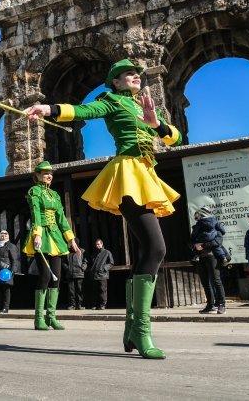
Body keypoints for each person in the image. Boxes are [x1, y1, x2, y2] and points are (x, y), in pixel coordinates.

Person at [25, 59, 183, 359]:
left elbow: (175, 138)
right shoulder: (110, 100)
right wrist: (48, 109)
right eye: (127, 74)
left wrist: (156, 123)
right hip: (127, 174)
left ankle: (131, 329)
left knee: (144, 253)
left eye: (137, 73)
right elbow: (85, 111)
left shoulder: (145, 106)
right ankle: (141, 330)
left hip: (146, 174)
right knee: (157, 248)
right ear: (116, 82)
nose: (135, 75)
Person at [23, 161, 81, 329]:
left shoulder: (55, 195)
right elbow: (35, 214)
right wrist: (37, 235)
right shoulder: (34, 191)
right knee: (45, 276)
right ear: (38, 176)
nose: (49, 176)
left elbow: (62, 218)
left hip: (56, 237)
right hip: (42, 236)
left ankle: (51, 316)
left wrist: (71, 240)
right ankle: (39, 318)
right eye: (45, 173)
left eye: (51, 173)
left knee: (57, 277)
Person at [189, 208, 227, 314]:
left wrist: (203, 245)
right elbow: (191, 241)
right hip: (200, 257)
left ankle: (221, 304)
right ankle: (210, 305)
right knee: (205, 282)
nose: (198, 217)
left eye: (199, 215)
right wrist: (194, 246)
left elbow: (218, 241)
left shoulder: (215, 224)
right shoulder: (196, 227)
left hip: (212, 256)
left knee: (216, 280)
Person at [0, 229, 19, 315]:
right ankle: (0, 306)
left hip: (6, 270)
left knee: (6, 288)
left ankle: (5, 308)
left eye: (5, 234)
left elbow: (14, 259)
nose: (3, 235)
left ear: (8, 236)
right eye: (1, 234)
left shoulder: (11, 246)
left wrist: (13, 270)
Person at [89, 239, 113, 310]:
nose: (97, 246)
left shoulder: (107, 252)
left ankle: (102, 305)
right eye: (96, 244)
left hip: (103, 275)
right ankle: (95, 305)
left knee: (102, 290)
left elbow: (111, 262)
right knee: (94, 291)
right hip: (94, 275)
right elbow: (91, 263)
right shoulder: (94, 253)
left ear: (102, 244)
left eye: (98, 244)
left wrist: (104, 268)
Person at [65, 239, 87, 310]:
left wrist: (82, 268)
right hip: (70, 274)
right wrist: (67, 268)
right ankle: (72, 305)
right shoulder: (67, 251)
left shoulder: (82, 251)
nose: (71, 244)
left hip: (79, 273)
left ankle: (80, 305)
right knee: (71, 290)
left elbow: (85, 261)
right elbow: (63, 262)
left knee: (79, 290)